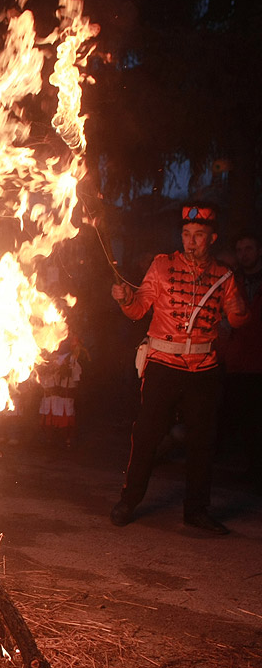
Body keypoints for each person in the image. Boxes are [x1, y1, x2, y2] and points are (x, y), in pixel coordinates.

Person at [109, 204, 248, 535]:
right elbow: (139, 308)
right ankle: (128, 502)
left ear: (211, 238)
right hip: (163, 364)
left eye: (199, 236)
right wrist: (126, 298)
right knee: (146, 435)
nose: (191, 242)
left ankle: (196, 510)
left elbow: (238, 319)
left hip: (204, 368)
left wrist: (241, 311)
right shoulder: (161, 266)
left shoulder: (225, 277)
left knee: (202, 441)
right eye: (187, 235)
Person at [217, 231, 262, 479]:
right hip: (238, 361)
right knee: (239, 416)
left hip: (259, 359)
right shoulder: (232, 281)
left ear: (259, 251)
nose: (244, 254)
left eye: (249, 249)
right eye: (240, 250)